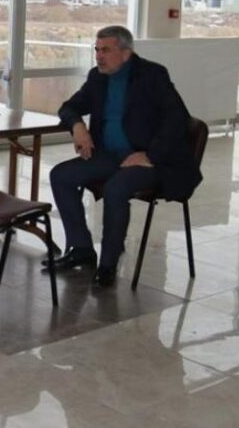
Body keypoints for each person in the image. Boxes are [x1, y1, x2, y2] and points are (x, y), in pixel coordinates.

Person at [44, 25, 201, 288]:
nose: (99, 56)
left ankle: (108, 264)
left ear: (126, 53)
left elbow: (177, 120)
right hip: (110, 155)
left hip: (150, 160)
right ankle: (81, 249)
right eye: (97, 50)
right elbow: (69, 107)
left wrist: (150, 155)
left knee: (116, 189)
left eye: (106, 50)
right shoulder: (98, 77)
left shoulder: (152, 75)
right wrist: (78, 126)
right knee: (61, 176)